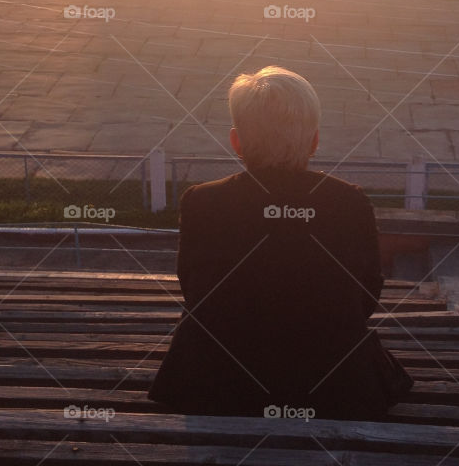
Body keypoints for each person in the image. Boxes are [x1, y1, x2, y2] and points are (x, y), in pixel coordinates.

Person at [148, 66, 414, 419]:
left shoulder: (202, 202)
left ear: (236, 141)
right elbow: (365, 296)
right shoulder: (349, 202)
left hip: (215, 384)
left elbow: (195, 291)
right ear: (315, 140)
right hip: (335, 386)